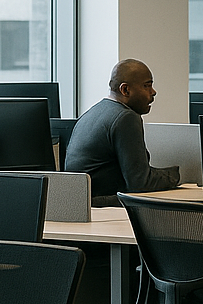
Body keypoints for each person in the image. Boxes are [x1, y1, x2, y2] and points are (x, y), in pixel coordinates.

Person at [65, 59, 180, 205]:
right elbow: (140, 182)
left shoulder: (93, 112)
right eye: (147, 86)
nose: (153, 92)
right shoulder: (126, 117)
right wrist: (177, 175)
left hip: (84, 206)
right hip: (103, 209)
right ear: (125, 90)